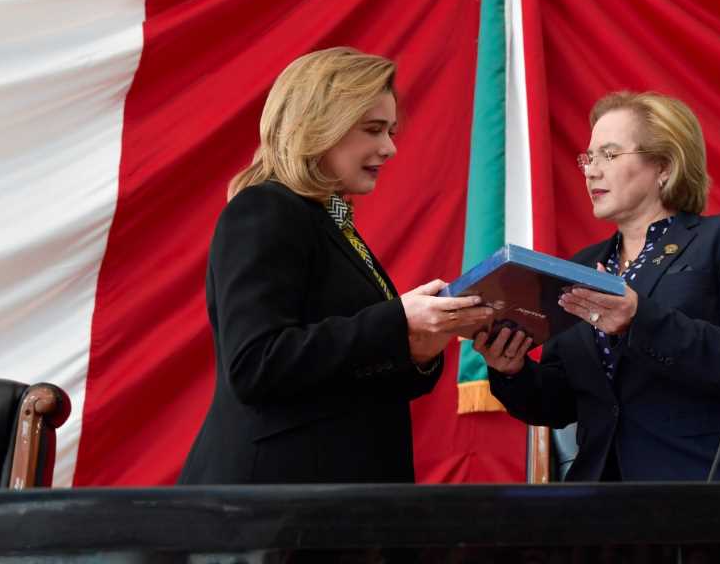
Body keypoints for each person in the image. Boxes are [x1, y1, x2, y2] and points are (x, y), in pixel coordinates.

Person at [178, 47, 492, 484]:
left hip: (332, 496)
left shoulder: (327, 219)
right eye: (373, 129)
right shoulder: (265, 209)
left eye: (390, 131)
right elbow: (255, 365)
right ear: (317, 126)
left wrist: (419, 347)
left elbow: (345, 375)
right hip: (271, 501)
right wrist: (396, 321)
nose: (390, 148)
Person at [474, 91, 720, 481]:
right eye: (589, 158)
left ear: (664, 166)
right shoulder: (580, 267)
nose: (591, 171)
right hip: (601, 497)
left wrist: (640, 320)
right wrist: (512, 370)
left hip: (702, 484)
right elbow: (559, 404)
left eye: (609, 155)